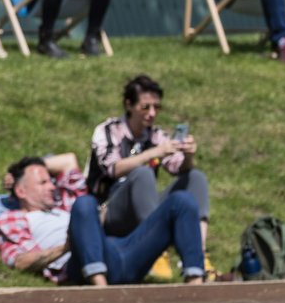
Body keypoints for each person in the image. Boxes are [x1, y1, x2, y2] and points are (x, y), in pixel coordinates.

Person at [0, 156, 205, 286]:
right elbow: (20, 261)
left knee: (181, 200)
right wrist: (66, 247)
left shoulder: (63, 203)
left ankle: (195, 282)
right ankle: (99, 288)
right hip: (77, 260)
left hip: (115, 249)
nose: (52, 186)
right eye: (43, 182)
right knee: (84, 204)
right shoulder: (12, 219)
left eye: (51, 181)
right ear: (21, 190)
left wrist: (35, 164)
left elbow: (67, 161)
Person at [85, 74, 210, 265]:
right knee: (143, 174)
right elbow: (112, 169)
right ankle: (157, 252)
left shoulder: (157, 135)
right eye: (145, 107)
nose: (152, 113)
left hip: (143, 210)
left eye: (156, 107)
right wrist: (153, 153)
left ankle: (199, 255)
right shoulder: (108, 131)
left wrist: (188, 155)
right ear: (129, 105)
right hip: (108, 211)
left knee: (195, 177)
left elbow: (178, 168)